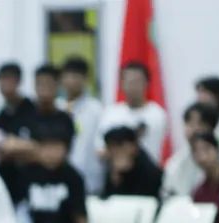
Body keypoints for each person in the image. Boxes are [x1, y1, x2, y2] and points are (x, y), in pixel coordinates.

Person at [97, 62, 168, 164]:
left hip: (151, 171)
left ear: (147, 83)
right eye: (129, 82)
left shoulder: (158, 114)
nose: (133, 86)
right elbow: (100, 150)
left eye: (137, 81)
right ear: (121, 84)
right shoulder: (110, 114)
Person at [0, 62, 38, 203]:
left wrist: (14, 146)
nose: (4, 84)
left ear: (18, 81)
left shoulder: (32, 109)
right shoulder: (0, 115)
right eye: (1, 79)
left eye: (8, 79)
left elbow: (36, 145)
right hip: (6, 184)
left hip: (30, 182)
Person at [163, 103, 219, 197]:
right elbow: (168, 194)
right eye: (190, 124)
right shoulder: (176, 163)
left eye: (200, 124)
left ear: (212, 127)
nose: (195, 129)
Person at [59, 57, 104, 194]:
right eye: (68, 76)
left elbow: (100, 145)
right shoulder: (57, 107)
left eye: (76, 76)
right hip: (60, 179)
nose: (72, 81)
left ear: (86, 79)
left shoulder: (96, 109)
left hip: (90, 179)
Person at [101, 126, 162, 198]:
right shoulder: (111, 168)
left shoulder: (150, 171)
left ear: (133, 146)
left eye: (118, 146)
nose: (115, 151)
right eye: (110, 147)